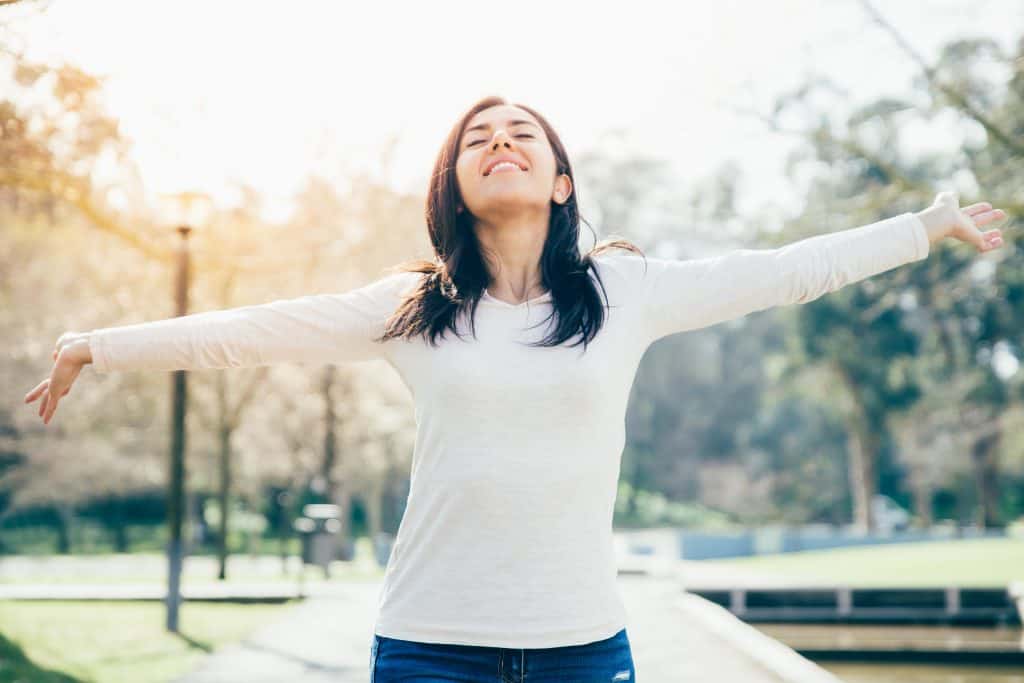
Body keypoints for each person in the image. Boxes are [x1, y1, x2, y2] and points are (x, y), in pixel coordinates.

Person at [24, 95, 1008, 682]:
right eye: (477, 138)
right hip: (426, 646)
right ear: (453, 184)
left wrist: (920, 228)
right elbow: (252, 330)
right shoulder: (412, 305)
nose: (499, 141)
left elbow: (787, 267)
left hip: (581, 646)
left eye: (522, 133)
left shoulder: (627, 291)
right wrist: (96, 342)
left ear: (562, 181)